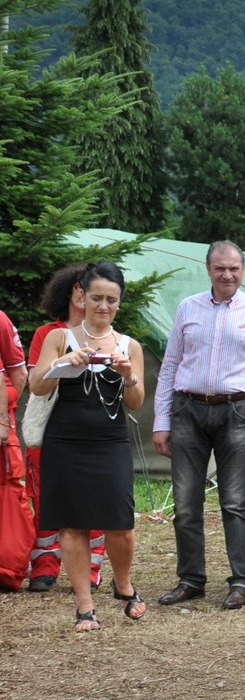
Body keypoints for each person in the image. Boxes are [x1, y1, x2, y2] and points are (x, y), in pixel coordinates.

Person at [153, 241, 245, 611]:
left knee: (235, 501)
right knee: (186, 503)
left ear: (243, 270)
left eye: (234, 268)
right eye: (220, 268)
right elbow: (170, 365)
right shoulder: (187, 307)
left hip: (236, 413)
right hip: (188, 410)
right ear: (208, 269)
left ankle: (241, 581)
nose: (227, 274)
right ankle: (191, 579)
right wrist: (162, 421)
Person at [27, 262, 147, 631]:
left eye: (111, 300)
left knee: (120, 525)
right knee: (73, 526)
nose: (103, 307)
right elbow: (36, 385)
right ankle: (84, 607)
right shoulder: (59, 338)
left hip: (109, 443)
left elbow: (136, 403)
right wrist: (62, 363)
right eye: (96, 298)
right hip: (66, 442)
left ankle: (123, 584)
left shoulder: (129, 345)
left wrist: (129, 376)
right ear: (81, 295)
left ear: (119, 302)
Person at [24, 265, 104, 593]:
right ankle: (45, 562)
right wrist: (61, 364)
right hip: (52, 425)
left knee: (92, 494)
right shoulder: (48, 333)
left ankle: (91, 565)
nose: (89, 297)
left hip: (89, 427)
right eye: (83, 289)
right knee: (45, 494)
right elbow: (35, 382)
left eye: (97, 292)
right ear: (71, 291)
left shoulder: (106, 333)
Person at [0, 308, 28, 591]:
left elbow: (18, 374)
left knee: (8, 492)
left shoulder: (0, 320)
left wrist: (3, 415)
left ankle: (7, 567)